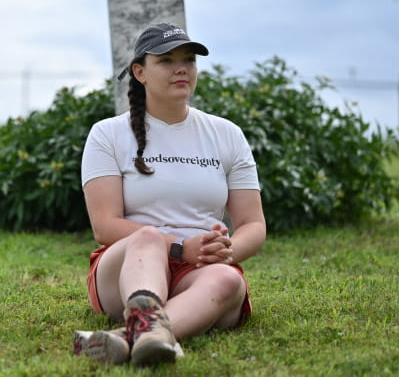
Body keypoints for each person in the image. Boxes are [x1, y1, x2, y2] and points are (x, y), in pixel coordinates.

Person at [72, 22, 266, 367]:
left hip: (200, 270)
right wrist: (178, 246)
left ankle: (130, 338)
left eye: (189, 60)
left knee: (226, 278)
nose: (181, 68)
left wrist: (224, 250)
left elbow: (252, 223)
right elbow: (104, 226)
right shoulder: (107, 134)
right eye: (165, 60)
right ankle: (146, 324)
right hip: (129, 268)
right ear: (139, 72)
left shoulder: (227, 134)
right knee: (146, 237)